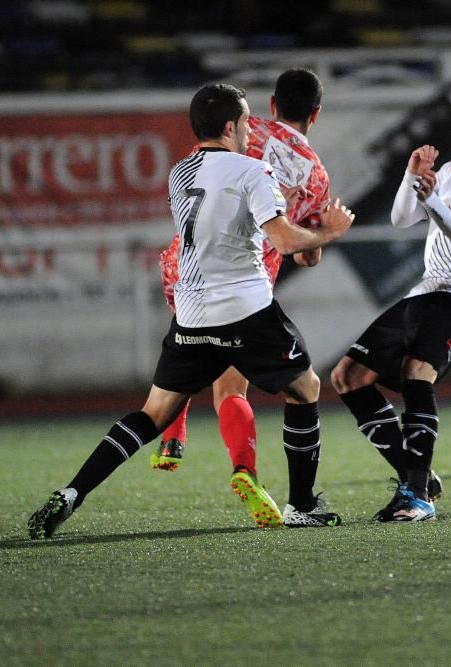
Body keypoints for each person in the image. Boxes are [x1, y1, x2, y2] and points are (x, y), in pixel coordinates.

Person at [28, 83, 354, 539]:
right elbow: (283, 239)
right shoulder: (253, 172)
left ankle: (73, 492)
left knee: (151, 413)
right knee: (306, 387)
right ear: (228, 126)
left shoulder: (179, 173)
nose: (247, 130)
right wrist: (331, 232)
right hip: (245, 307)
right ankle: (301, 505)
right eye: (243, 122)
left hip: (192, 311)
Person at [150, 69, 334, 530]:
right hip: (242, 284)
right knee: (231, 388)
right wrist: (319, 230)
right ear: (315, 114)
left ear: (271, 105)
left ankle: (172, 432)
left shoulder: (242, 128)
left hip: (183, 264)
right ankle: (245, 471)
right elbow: (306, 254)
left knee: (185, 353)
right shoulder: (314, 173)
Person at [330, 93, 451, 521]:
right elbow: (402, 219)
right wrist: (411, 177)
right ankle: (415, 474)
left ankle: (416, 497)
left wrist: (434, 200)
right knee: (347, 376)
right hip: (427, 290)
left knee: (417, 371)